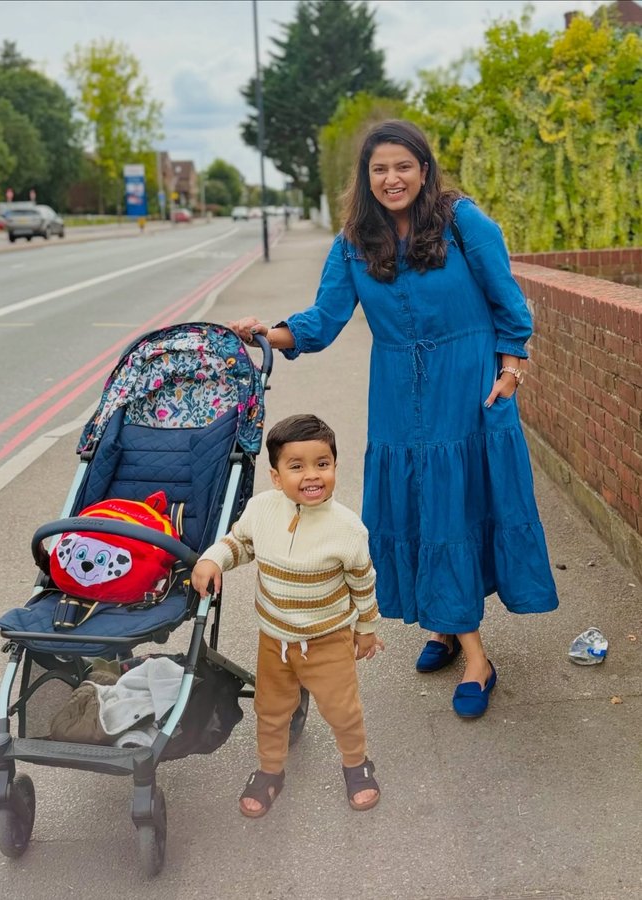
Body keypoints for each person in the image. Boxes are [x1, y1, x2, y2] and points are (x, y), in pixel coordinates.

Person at [229, 119, 558, 720]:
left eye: (403, 166)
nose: (391, 178)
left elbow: (510, 303)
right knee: (419, 509)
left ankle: (477, 657)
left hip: (467, 389)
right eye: (379, 168)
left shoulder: (464, 223)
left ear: (425, 170)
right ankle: (444, 628)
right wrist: (269, 333)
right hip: (397, 398)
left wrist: (511, 372)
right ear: (366, 177)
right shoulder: (353, 241)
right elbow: (324, 319)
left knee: (456, 510)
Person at [191, 413, 384, 818]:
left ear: (334, 466)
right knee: (270, 709)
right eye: (296, 467)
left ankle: (356, 764)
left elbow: (363, 583)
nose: (312, 475)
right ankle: (269, 770)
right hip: (274, 641)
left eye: (322, 464)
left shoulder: (347, 529)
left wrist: (366, 629)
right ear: (276, 476)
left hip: (328, 640)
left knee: (342, 710)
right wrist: (213, 560)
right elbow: (240, 543)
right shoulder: (262, 509)